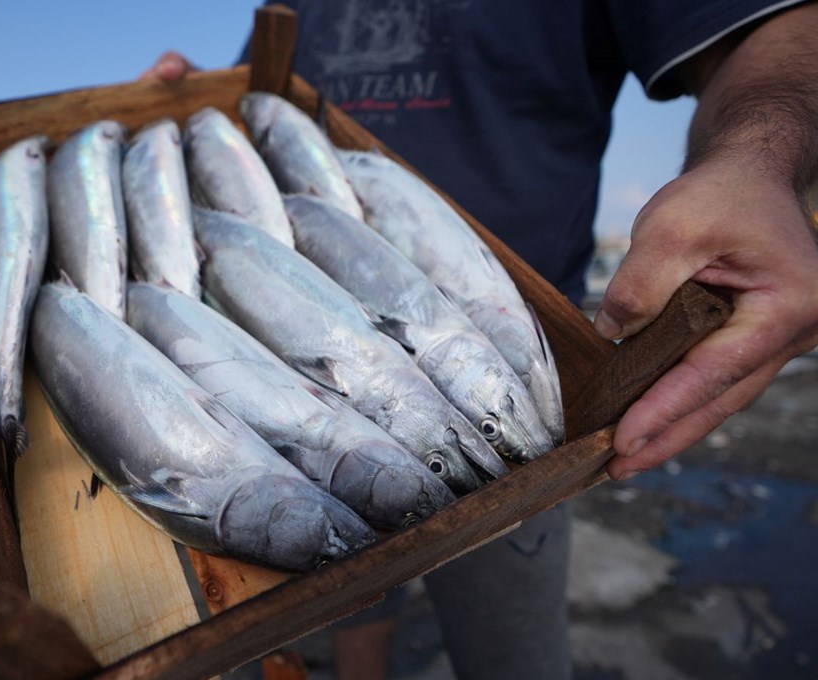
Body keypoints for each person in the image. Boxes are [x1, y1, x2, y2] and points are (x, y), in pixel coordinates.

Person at [142, 1, 818, 678]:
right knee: (349, 591)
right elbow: (267, 96)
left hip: (535, 375)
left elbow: (774, 31)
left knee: (510, 643)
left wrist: (754, 160)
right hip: (302, 342)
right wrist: (210, 112)